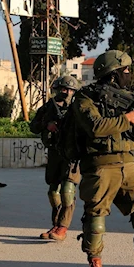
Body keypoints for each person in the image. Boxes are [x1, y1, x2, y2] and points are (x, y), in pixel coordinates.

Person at [71, 50, 134, 267]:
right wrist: (126, 118)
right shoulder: (85, 98)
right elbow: (95, 127)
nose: (128, 74)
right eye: (124, 70)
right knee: (96, 221)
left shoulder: (127, 97)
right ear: (111, 74)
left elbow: (132, 132)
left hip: (127, 163)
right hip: (100, 165)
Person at [30, 75, 81, 241]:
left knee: (68, 191)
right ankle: (57, 224)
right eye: (64, 89)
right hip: (54, 153)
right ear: (58, 89)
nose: (67, 93)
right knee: (53, 192)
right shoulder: (48, 108)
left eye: (71, 90)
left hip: (72, 155)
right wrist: (47, 124)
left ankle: (63, 227)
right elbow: (34, 126)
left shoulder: (79, 108)